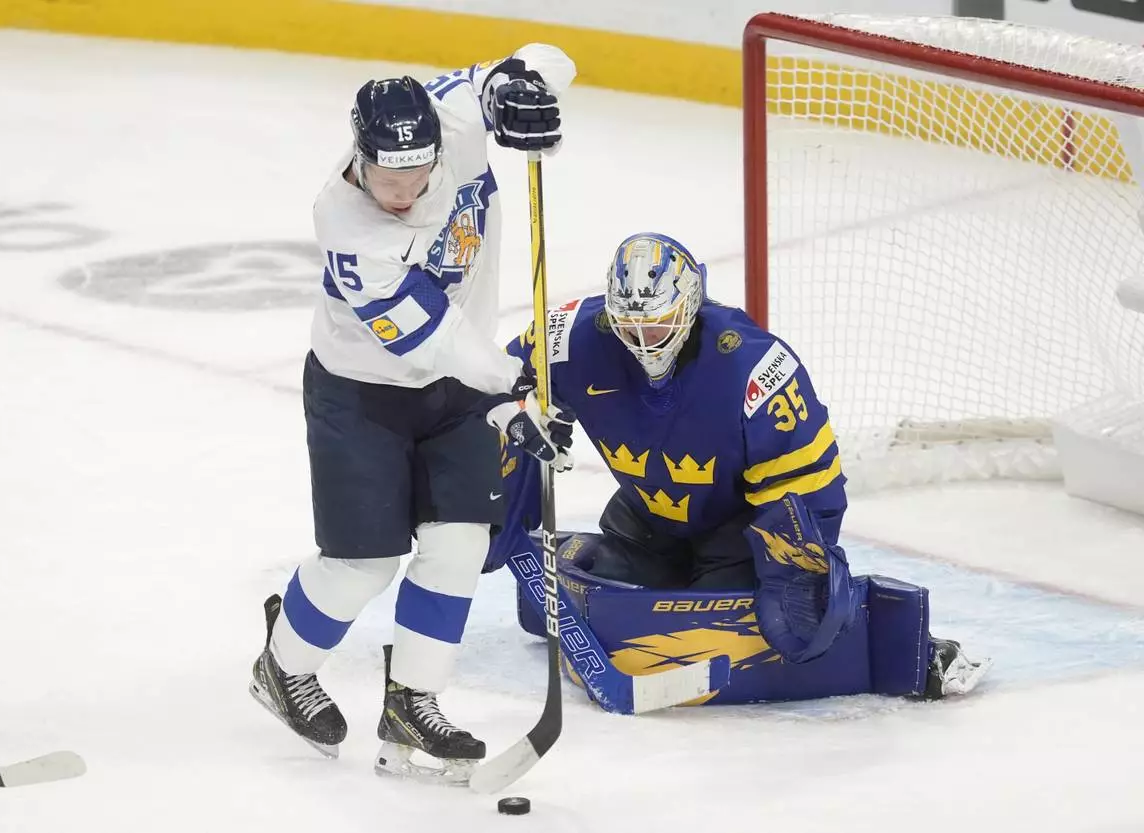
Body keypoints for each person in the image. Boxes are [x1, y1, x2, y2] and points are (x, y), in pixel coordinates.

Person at [248, 45, 578, 784]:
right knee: (362, 565)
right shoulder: (348, 228)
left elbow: (540, 61)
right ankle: (282, 665)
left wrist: (525, 94)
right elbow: (440, 339)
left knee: (459, 544)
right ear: (358, 156)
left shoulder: (452, 119)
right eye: (385, 175)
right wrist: (511, 394)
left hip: (455, 388)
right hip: (360, 396)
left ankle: (413, 698)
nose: (400, 189)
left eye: (415, 174)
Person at [486, 231, 987, 703]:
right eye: (629, 325)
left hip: (740, 529)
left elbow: (813, 482)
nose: (643, 340)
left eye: (657, 323)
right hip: (648, 518)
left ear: (689, 306)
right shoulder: (566, 337)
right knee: (603, 579)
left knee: (737, 620)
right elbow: (493, 382)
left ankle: (903, 643)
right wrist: (522, 412)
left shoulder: (754, 366)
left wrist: (797, 565)